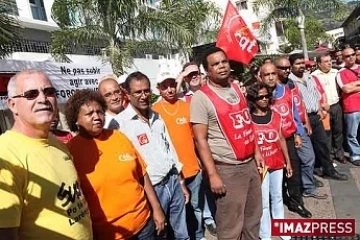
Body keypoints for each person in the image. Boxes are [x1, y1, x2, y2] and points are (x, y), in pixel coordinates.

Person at [0, 70, 92, 239]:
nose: (43, 99)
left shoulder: (56, 142)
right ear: (12, 105)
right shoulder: (6, 156)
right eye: (31, 94)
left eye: (49, 92)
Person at [65, 89, 165, 240]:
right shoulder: (70, 152)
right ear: (76, 119)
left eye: (99, 112)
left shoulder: (118, 136)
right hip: (109, 234)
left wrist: (157, 209)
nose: (96, 117)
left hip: (144, 225)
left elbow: (142, 174)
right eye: (89, 113)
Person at [191, 46, 262, 239]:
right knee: (231, 226)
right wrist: (213, 174)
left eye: (224, 62)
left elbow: (247, 123)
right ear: (207, 70)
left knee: (253, 219)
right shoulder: (201, 98)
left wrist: (256, 152)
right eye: (215, 64)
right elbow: (200, 140)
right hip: (227, 169)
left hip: (249, 165)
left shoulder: (236, 88)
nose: (222, 66)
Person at [109, 71, 190, 240]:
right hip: (152, 190)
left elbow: (170, 149)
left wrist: (181, 181)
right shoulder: (119, 125)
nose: (143, 96)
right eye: (138, 92)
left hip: (173, 181)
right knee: (161, 234)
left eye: (146, 91)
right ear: (127, 94)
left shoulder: (157, 116)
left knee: (182, 234)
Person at [260, 62, 321, 219]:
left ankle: (296, 202)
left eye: (273, 73)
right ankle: (275, 205)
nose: (271, 77)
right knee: (274, 175)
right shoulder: (258, 95)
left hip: (288, 138)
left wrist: (297, 133)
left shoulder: (285, 90)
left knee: (293, 171)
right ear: (261, 77)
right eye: (266, 74)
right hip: (269, 142)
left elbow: (293, 113)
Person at [152, 72, 204, 240]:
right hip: (172, 174)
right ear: (158, 89)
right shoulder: (154, 111)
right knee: (176, 213)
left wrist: (200, 159)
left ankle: (199, 235)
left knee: (196, 207)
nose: (169, 89)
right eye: (164, 86)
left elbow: (196, 136)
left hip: (192, 168)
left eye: (172, 85)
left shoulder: (186, 106)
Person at [288, 53, 348, 180]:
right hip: (303, 120)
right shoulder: (290, 81)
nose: (301, 66)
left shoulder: (309, 77)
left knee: (323, 144)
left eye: (302, 63)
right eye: (297, 64)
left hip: (315, 116)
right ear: (291, 66)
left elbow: (316, 94)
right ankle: (311, 177)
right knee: (307, 151)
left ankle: (329, 170)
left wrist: (320, 110)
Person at [247, 82, 292, 240]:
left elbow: (281, 139)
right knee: (264, 201)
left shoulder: (276, 116)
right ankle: (265, 234)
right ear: (253, 99)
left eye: (267, 96)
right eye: (260, 97)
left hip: (277, 162)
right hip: (261, 167)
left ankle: (281, 228)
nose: (265, 99)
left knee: (277, 196)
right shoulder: (248, 119)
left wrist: (288, 162)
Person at [312, 53, 346, 164]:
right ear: (319, 64)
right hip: (323, 108)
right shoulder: (314, 76)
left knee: (338, 130)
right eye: (326, 61)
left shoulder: (336, 72)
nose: (329, 63)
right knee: (326, 133)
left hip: (336, 105)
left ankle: (339, 153)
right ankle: (328, 156)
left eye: (330, 61)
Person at [336, 47, 360, 166]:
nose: (351, 57)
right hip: (351, 107)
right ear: (343, 58)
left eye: (352, 54)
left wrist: (353, 85)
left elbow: (350, 87)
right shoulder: (341, 72)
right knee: (352, 134)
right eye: (347, 56)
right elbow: (345, 88)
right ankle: (355, 155)